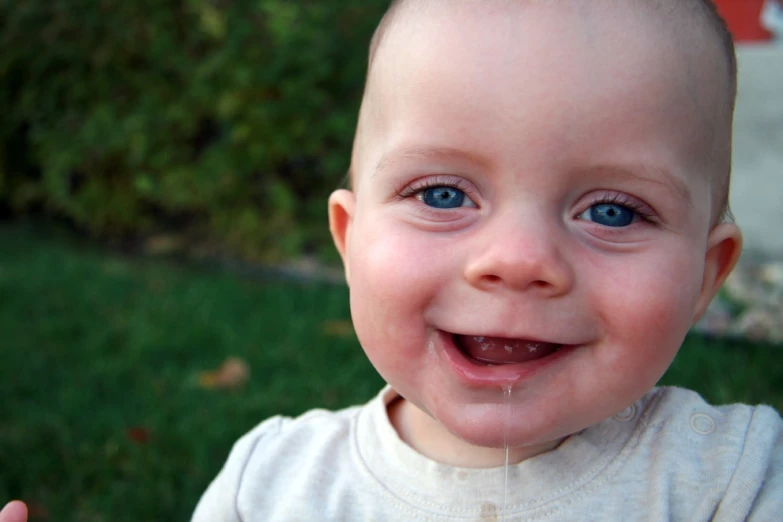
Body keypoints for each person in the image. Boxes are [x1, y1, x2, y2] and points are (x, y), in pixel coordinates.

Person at [3, 0, 780, 520]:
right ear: (349, 241)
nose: (515, 261)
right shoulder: (275, 487)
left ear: (703, 279)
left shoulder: (732, 480)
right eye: (442, 195)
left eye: (611, 211)